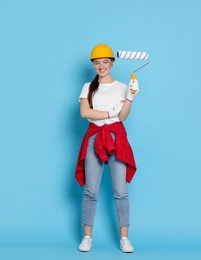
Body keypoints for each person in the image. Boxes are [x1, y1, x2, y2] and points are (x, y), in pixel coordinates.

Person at [75, 43, 140, 253]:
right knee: (91, 190)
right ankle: (87, 237)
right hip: (95, 137)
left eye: (104, 62)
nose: (101, 66)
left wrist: (130, 97)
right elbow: (85, 112)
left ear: (111, 63)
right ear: (93, 65)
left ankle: (124, 239)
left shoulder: (122, 86)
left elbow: (122, 116)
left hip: (116, 138)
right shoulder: (88, 87)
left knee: (121, 191)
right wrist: (109, 113)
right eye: (97, 63)